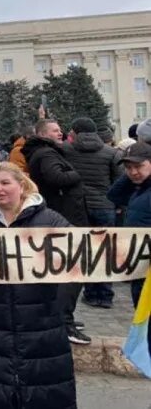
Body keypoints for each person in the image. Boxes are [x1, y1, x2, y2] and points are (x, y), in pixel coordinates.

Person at [0, 162, 76, 409]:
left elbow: (81, 258)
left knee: (47, 396)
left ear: (21, 186)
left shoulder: (50, 219)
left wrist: (58, 304)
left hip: (42, 327)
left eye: (5, 183)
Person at [22, 118, 90, 345]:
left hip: (62, 214)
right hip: (65, 217)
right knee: (75, 270)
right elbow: (56, 178)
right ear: (43, 134)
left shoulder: (46, 151)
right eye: (55, 130)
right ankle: (64, 321)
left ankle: (61, 316)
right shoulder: (46, 154)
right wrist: (77, 174)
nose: (60, 133)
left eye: (60, 130)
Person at [62, 117, 123, 309]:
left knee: (84, 250)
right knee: (105, 250)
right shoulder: (111, 152)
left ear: (75, 131)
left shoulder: (66, 150)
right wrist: (117, 204)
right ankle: (105, 295)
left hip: (79, 207)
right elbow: (119, 180)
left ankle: (90, 293)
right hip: (105, 206)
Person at [108, 141, 151, 361]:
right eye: (128, 167)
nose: (133, 172)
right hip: (139, 269)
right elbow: (113, 195)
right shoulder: (139, 189)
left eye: (139, 166)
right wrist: (134, 175)